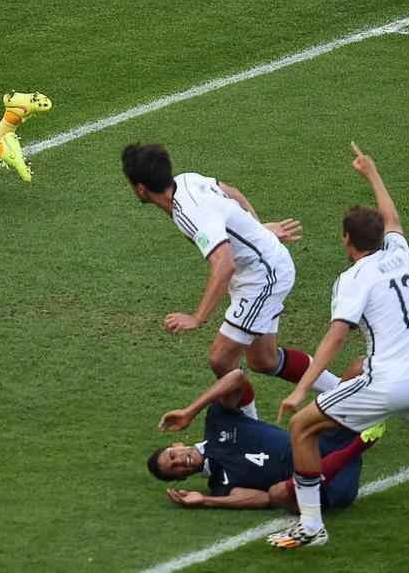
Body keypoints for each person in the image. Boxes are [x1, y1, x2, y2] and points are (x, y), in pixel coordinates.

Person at [269, 143, 409, 559]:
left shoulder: (354, 278)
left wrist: (301, 389)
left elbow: (337, 335)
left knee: (302, 426)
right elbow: (392, 218)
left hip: (385, 382)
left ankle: (312, 525)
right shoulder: (400, 254)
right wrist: (372, 173)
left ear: (347, 240)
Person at [121, 143, 342, 417]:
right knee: (264, 360)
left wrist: (197, 317)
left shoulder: (189, 213)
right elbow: (232, 193)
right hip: (261, 268)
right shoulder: (187, 180)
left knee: (220, 358)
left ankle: (250, 427)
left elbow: (223, 265)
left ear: (141, 188)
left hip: (263, 276)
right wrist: (257, 230)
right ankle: (345, 391)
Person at [147, 369, 384, 512]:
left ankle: (403, 405)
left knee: (358, 368)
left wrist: (190, 411)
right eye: (176, 469)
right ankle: (358, 446)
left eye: (172, 456)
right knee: (277, 493)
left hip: (327, 442)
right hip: (329, 484)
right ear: (183, 477)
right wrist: (206, 500)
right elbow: (264, 499)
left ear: (176, 445)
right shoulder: (220, 485)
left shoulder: (218, 422)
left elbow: (237, 377)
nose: (180, 461)